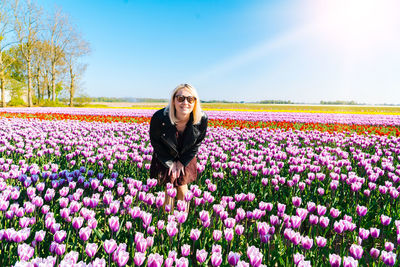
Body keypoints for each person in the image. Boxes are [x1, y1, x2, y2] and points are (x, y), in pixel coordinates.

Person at [149, 83, 208, 212]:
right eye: (180, 98)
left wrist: (182, 162)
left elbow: (197, 143)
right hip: (165, 151)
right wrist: (170, 162)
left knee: (182, 182)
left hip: (187, 152)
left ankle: (182, 218)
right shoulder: (159, 118)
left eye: (190, 99)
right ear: (173, 100)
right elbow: (156, 142)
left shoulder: (201, 118)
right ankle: (167, 217)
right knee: (170, 182)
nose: (185, 102)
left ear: (195, 102)